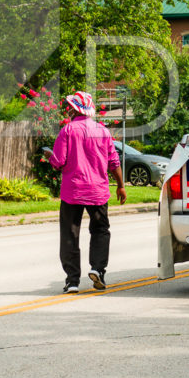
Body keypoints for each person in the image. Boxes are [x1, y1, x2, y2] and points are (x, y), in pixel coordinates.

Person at [49, 91, 125, 293]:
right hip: (98, 191)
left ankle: (72, 280)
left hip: (73, 190)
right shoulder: (103, 131)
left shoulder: (67, 131)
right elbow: (113, 162)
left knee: (70, 235)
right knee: (100, 230)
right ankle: (98, 270)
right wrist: (121, 185)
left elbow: (58, 161)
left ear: (75, 108)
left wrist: (50, 156)